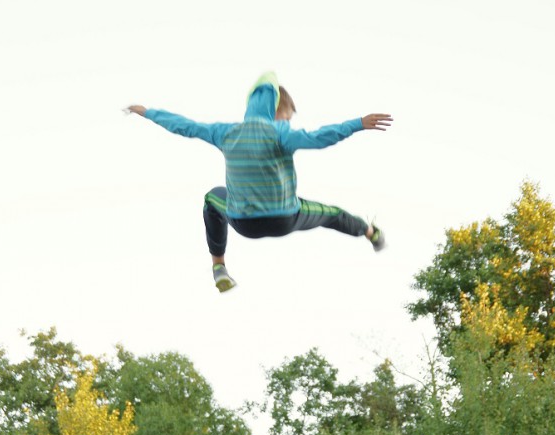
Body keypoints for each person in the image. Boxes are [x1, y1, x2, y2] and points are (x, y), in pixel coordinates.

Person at [126, 72, 391, 292]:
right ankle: (371, 234)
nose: (289, 121)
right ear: (276, 110)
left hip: (244, 223)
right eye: (287, 116)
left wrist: (147, 112)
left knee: (212, 198)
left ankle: (219, 267)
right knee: (333, 214)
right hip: (285, 217)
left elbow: (184, 125)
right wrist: (357, 123)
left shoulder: (225, 132)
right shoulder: (281, 133)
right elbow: (320, 137)